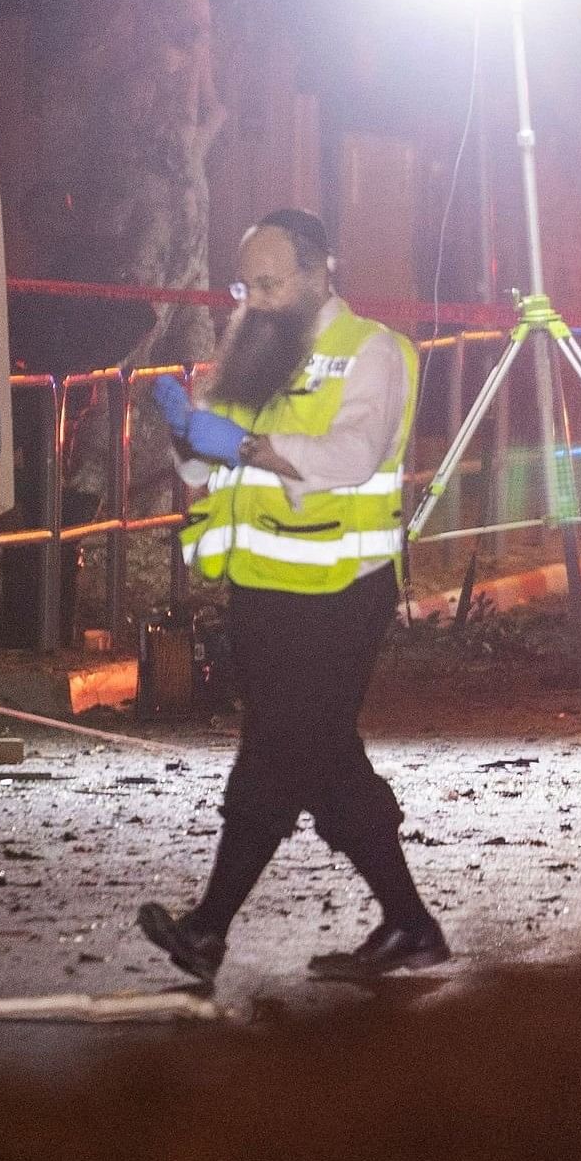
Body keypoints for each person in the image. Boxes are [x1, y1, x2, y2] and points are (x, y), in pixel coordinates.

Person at [137, 209, 442, 984]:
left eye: (270, 283)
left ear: (319, 274)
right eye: (245, 284)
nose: (255, 300)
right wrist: (185, 431)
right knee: (319, 755)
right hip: (264, 591)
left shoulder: (369, 351)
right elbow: (202, 470)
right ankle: (410, 924)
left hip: (341, 590)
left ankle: (209, 928)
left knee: (277, 750)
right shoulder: (251, 349)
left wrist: (239, 443)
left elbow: (350, 455)